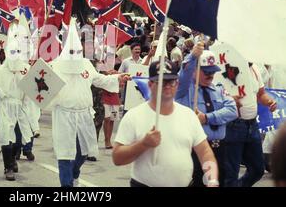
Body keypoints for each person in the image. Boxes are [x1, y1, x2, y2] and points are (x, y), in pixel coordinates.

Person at [113, 59, 219, 187]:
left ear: (177, 83)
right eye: (161, 82)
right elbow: (117, 158)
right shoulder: (134, 116)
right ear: (150, 84)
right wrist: (143, 144)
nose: (167, 86)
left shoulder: (188, 115)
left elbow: (205, 152)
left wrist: (212, 180)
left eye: (171, 81)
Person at [50, 18, 130, 187]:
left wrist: (117, 77)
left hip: (84, 115)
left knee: (83, 151)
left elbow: (99, 79)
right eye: (71, 51)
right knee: (65, 155)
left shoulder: (86, 64)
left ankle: (75, 173)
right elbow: (40, 86)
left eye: (77, 51)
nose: (74, 55)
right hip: (64, 116)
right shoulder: (54, 66)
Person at [175, 43, 238, 187]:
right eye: (206, 71)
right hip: (196, 150)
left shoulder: (219, 89)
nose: (210, 75)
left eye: (212, 71)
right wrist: (193, 56)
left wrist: (207, 118)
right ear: (195, 71)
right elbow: (184, 74)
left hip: (219, 148)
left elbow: (232, 111)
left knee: (217, 183)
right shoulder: (184, 89)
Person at [224, 63, 278, 187]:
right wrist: (229, 100)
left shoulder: (254, 68)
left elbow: (261, 94)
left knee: (258, 169)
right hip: (233, 125)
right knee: (230, 174)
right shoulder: (226, 68)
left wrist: (269, 101)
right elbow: (216, 95)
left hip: (252, 125)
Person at [0, 22, 34, 181]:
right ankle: (8, 167)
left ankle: (13, 157)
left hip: (20, 106)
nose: (15, 54)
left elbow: (30, 88)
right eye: (12, 51)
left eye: (18, 51)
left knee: (20, 137)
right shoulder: (0, 71)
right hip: (6, 106)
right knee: (6, 135)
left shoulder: (25, 68)